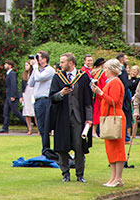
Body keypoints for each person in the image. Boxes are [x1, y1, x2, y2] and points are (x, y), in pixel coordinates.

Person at [48, 53, 93, 183]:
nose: (60, 64)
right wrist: (61, 94)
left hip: (78, 117)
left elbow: (88, 100)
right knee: (62, 147)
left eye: (63, 62)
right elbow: (52, 98)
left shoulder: (83, 77)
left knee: (79, 146)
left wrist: (89, 119)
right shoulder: (57, 78)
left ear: (71, 63)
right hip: (62, 117)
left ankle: (80, 174)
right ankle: (65, 173)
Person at [92, 58, 126, 188]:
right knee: (110, 148)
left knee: (118, 148)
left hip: (115, 117)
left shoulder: (116, 82)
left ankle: (118, 178)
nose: (104, 71)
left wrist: (100, 92)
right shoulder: (110, 82)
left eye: (106, 68)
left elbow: (113, 100)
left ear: (112, 69)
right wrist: (98, 92)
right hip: (109, 116)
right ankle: (113, 177)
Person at [28, 50, 55, 155]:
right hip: (38, 100)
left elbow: (39, 78)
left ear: (44, 59)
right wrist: (34, 69)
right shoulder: (38, 70)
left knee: (44, 126)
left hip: (44, 100)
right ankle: (45, 149)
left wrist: (35, 67)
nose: (36, 59)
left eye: (38, 57)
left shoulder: (49, 70)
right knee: (41, 126)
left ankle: (46, 149)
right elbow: (30, 82)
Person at [0, 60, 24, 133]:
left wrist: (13, 95)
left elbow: (13, 85)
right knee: (6, 112)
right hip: (8, 95)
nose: (4, 65)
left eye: (6, 64)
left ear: (10, 66)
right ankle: (5, 128)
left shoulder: (12, 74)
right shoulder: (8, 74)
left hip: (12, 96)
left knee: (16, 112)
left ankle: (27, 123)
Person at [115, 53, 133, 141]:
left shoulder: (119, 69)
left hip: (123, 96)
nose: (127, 60)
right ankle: (125, 137)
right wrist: (131, 82)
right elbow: (125, 84)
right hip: (123, 97)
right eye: (126, 58)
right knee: (125, 115)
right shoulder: (121, 69)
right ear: (121, 59)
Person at [20, 60, 35, 135]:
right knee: (27, 112)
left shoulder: (34, 73)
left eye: (27, 65)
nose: (26, 67)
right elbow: (22, 86)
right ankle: (29, 128)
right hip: (26, 93)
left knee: (34, 111)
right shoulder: (24, 75)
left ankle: (39, 129)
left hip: (32, 92)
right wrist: (21, 96)